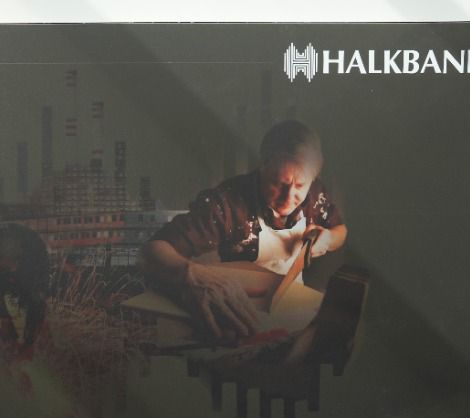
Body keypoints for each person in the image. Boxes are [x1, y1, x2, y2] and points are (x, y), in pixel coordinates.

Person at [140, 119, 348, 345]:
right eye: (278, 183)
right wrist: (191, 274)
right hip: (241, 307)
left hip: (293, 305)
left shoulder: (315, 195)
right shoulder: (227, 203)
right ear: (263, 166)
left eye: (299, 186)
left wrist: (328, 239)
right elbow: (152, 250)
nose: (288, 198)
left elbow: (340, 230)